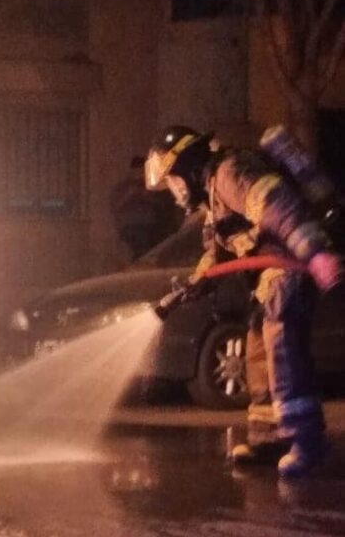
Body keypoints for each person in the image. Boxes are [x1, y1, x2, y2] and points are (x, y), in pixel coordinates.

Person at [145, 124, 343, 478]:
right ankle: (270, 439)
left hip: (286, 267)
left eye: (173, 181)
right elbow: (218, 253)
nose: (174, 192)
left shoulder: (230, 174)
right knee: (257, 353)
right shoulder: (213, 198)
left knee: (281, 348)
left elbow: (279, 208)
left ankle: (307, 442)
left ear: (188, 167)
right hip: (267, 279)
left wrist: (315, 253)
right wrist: (193, 285)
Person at [110, 155, 181, 260]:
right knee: (141, 253)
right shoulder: (124, 187)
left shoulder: (153, 186)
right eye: (136, 171)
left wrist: (147, 197)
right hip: (131, 226)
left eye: (141, 172)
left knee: (150, 252)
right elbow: (115, 206)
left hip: (151, 225)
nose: (138, 175)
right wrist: (131, 195)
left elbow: (164, 205)